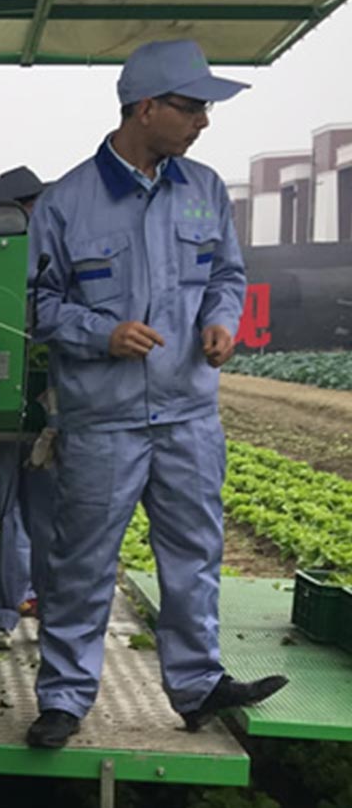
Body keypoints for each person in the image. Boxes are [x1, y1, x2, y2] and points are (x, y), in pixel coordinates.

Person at [26, 39, 287, 749]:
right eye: (192, 106)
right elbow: (36, 305)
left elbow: (227, 276)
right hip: (103, 419)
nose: (203, 121)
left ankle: (198, 685)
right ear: (147, 109)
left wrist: (220, 321)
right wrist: (101, 333)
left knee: (194, 552)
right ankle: (63, 698)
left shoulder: (202, 189)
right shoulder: (65, 204)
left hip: (188, 412)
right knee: (81, 560)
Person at [0, 166, 48, 650]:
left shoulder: (54, 263)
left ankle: (43, 608)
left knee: (46, 516)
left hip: (44, 412)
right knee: (2, 512)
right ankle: (1, 613)